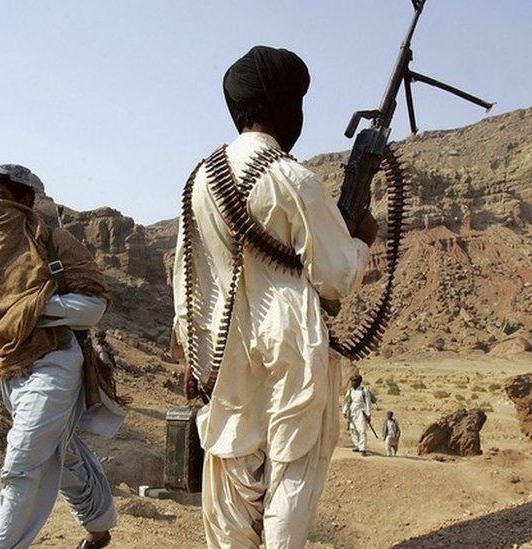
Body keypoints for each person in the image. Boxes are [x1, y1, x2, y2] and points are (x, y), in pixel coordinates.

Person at [171, 45, 375, 548]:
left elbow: (183, 276)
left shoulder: (198, 180)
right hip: (291, 338)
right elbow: (336, 277)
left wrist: (190, 349)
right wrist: (362, 239)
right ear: (287, 107)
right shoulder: (292, 178)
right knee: (292, 466)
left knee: (231, 468)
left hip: (219, 339)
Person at [0, 163, 124, 549]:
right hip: (10, 367)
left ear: (25, 201)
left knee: (21, 464)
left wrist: (28, 310)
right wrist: (14, 315)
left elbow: (92, 306)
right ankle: (99, 524)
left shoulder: (52, 241)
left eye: (0, 197)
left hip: (54, 363)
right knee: (62, 450)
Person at [342, 374, 375, 456]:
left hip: (361, 412)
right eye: (352, 381)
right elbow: (347, 401)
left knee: (362, 430)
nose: (353, 383)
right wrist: (344, 411)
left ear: (359, 382)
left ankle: (363, 448)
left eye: (355, 381)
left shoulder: (364, 391)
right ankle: (357, 445)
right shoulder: (350, 391)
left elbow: (368, 403)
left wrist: (368, 414)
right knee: (353, 430)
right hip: (352, 412)